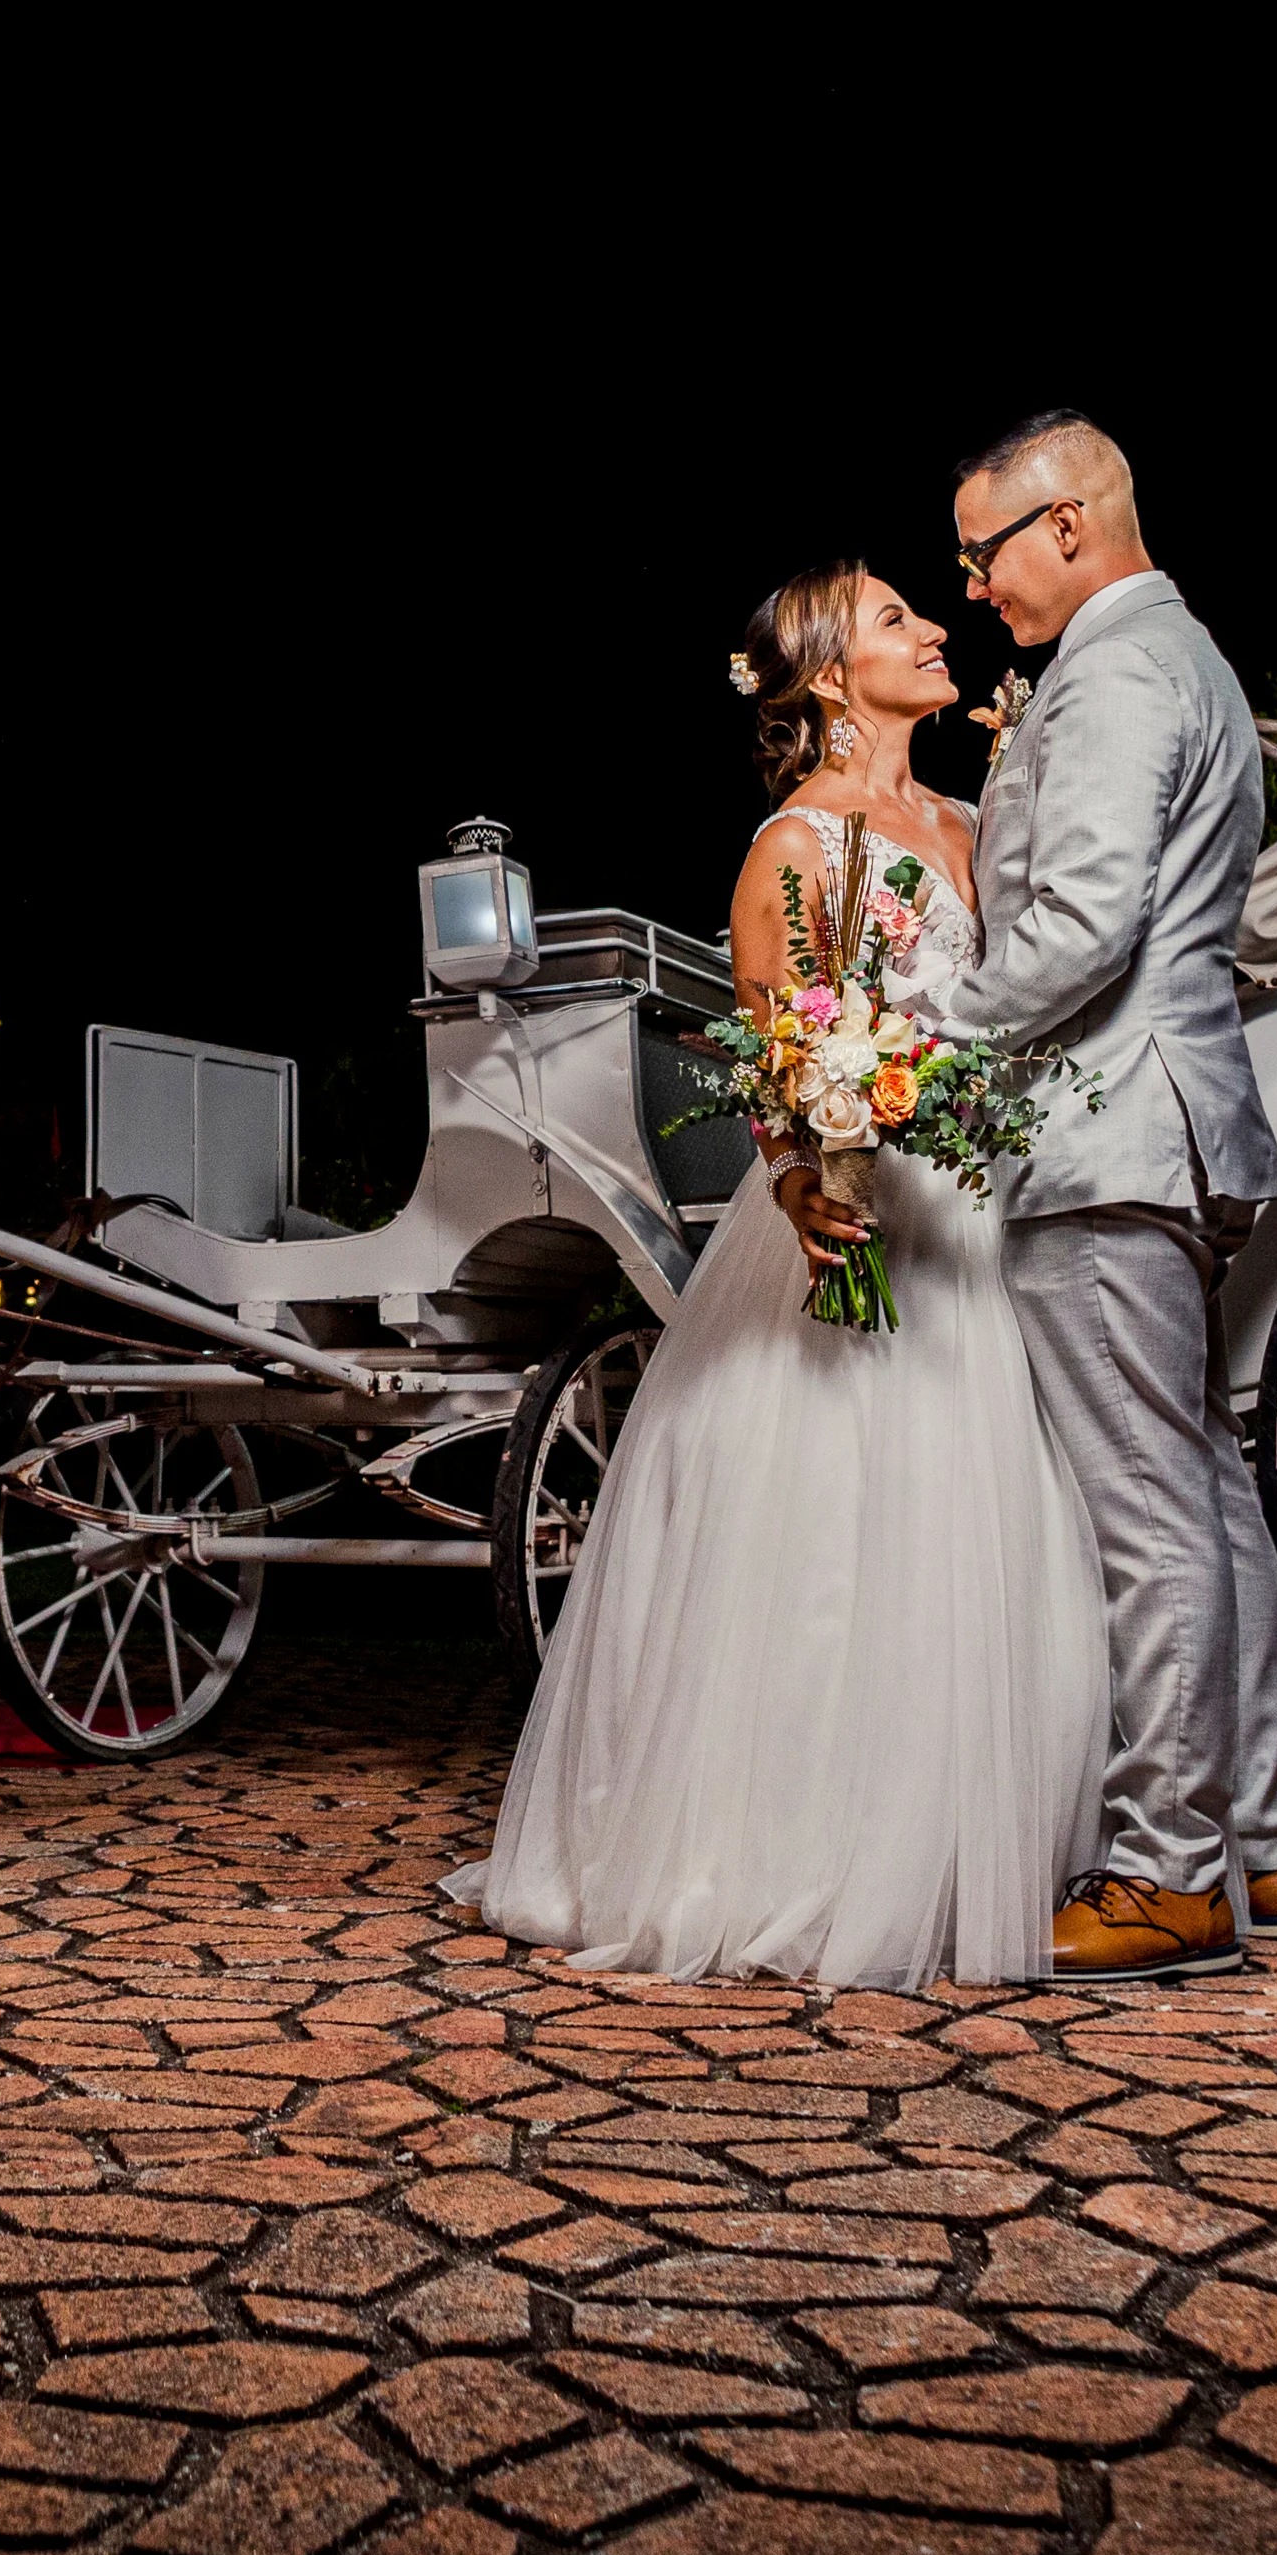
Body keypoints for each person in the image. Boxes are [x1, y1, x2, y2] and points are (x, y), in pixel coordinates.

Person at [444, 561, 1109, 1987]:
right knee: (832, 1538)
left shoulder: (972, 823)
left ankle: (971, 1841)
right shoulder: (792, 850)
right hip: (855, 1220)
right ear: (824, 676)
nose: (933, 629)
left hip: (978, 1210)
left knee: (990, 1525)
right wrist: (811, 1179)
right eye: (894, 620)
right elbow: (782, 1064)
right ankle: (797, 1854)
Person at [940, 411, 1277, 1983]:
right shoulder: (1186, 658)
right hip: (1176, 1125)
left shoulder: (1111, 673)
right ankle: (1257, 1841)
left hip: (1103, 1137)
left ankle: (1164, 1871)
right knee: (1207, 1492)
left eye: (982, 553)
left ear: (1068, 525)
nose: (973, 590)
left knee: (1151, 1514)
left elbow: (1081, 927)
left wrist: (917, 1040)